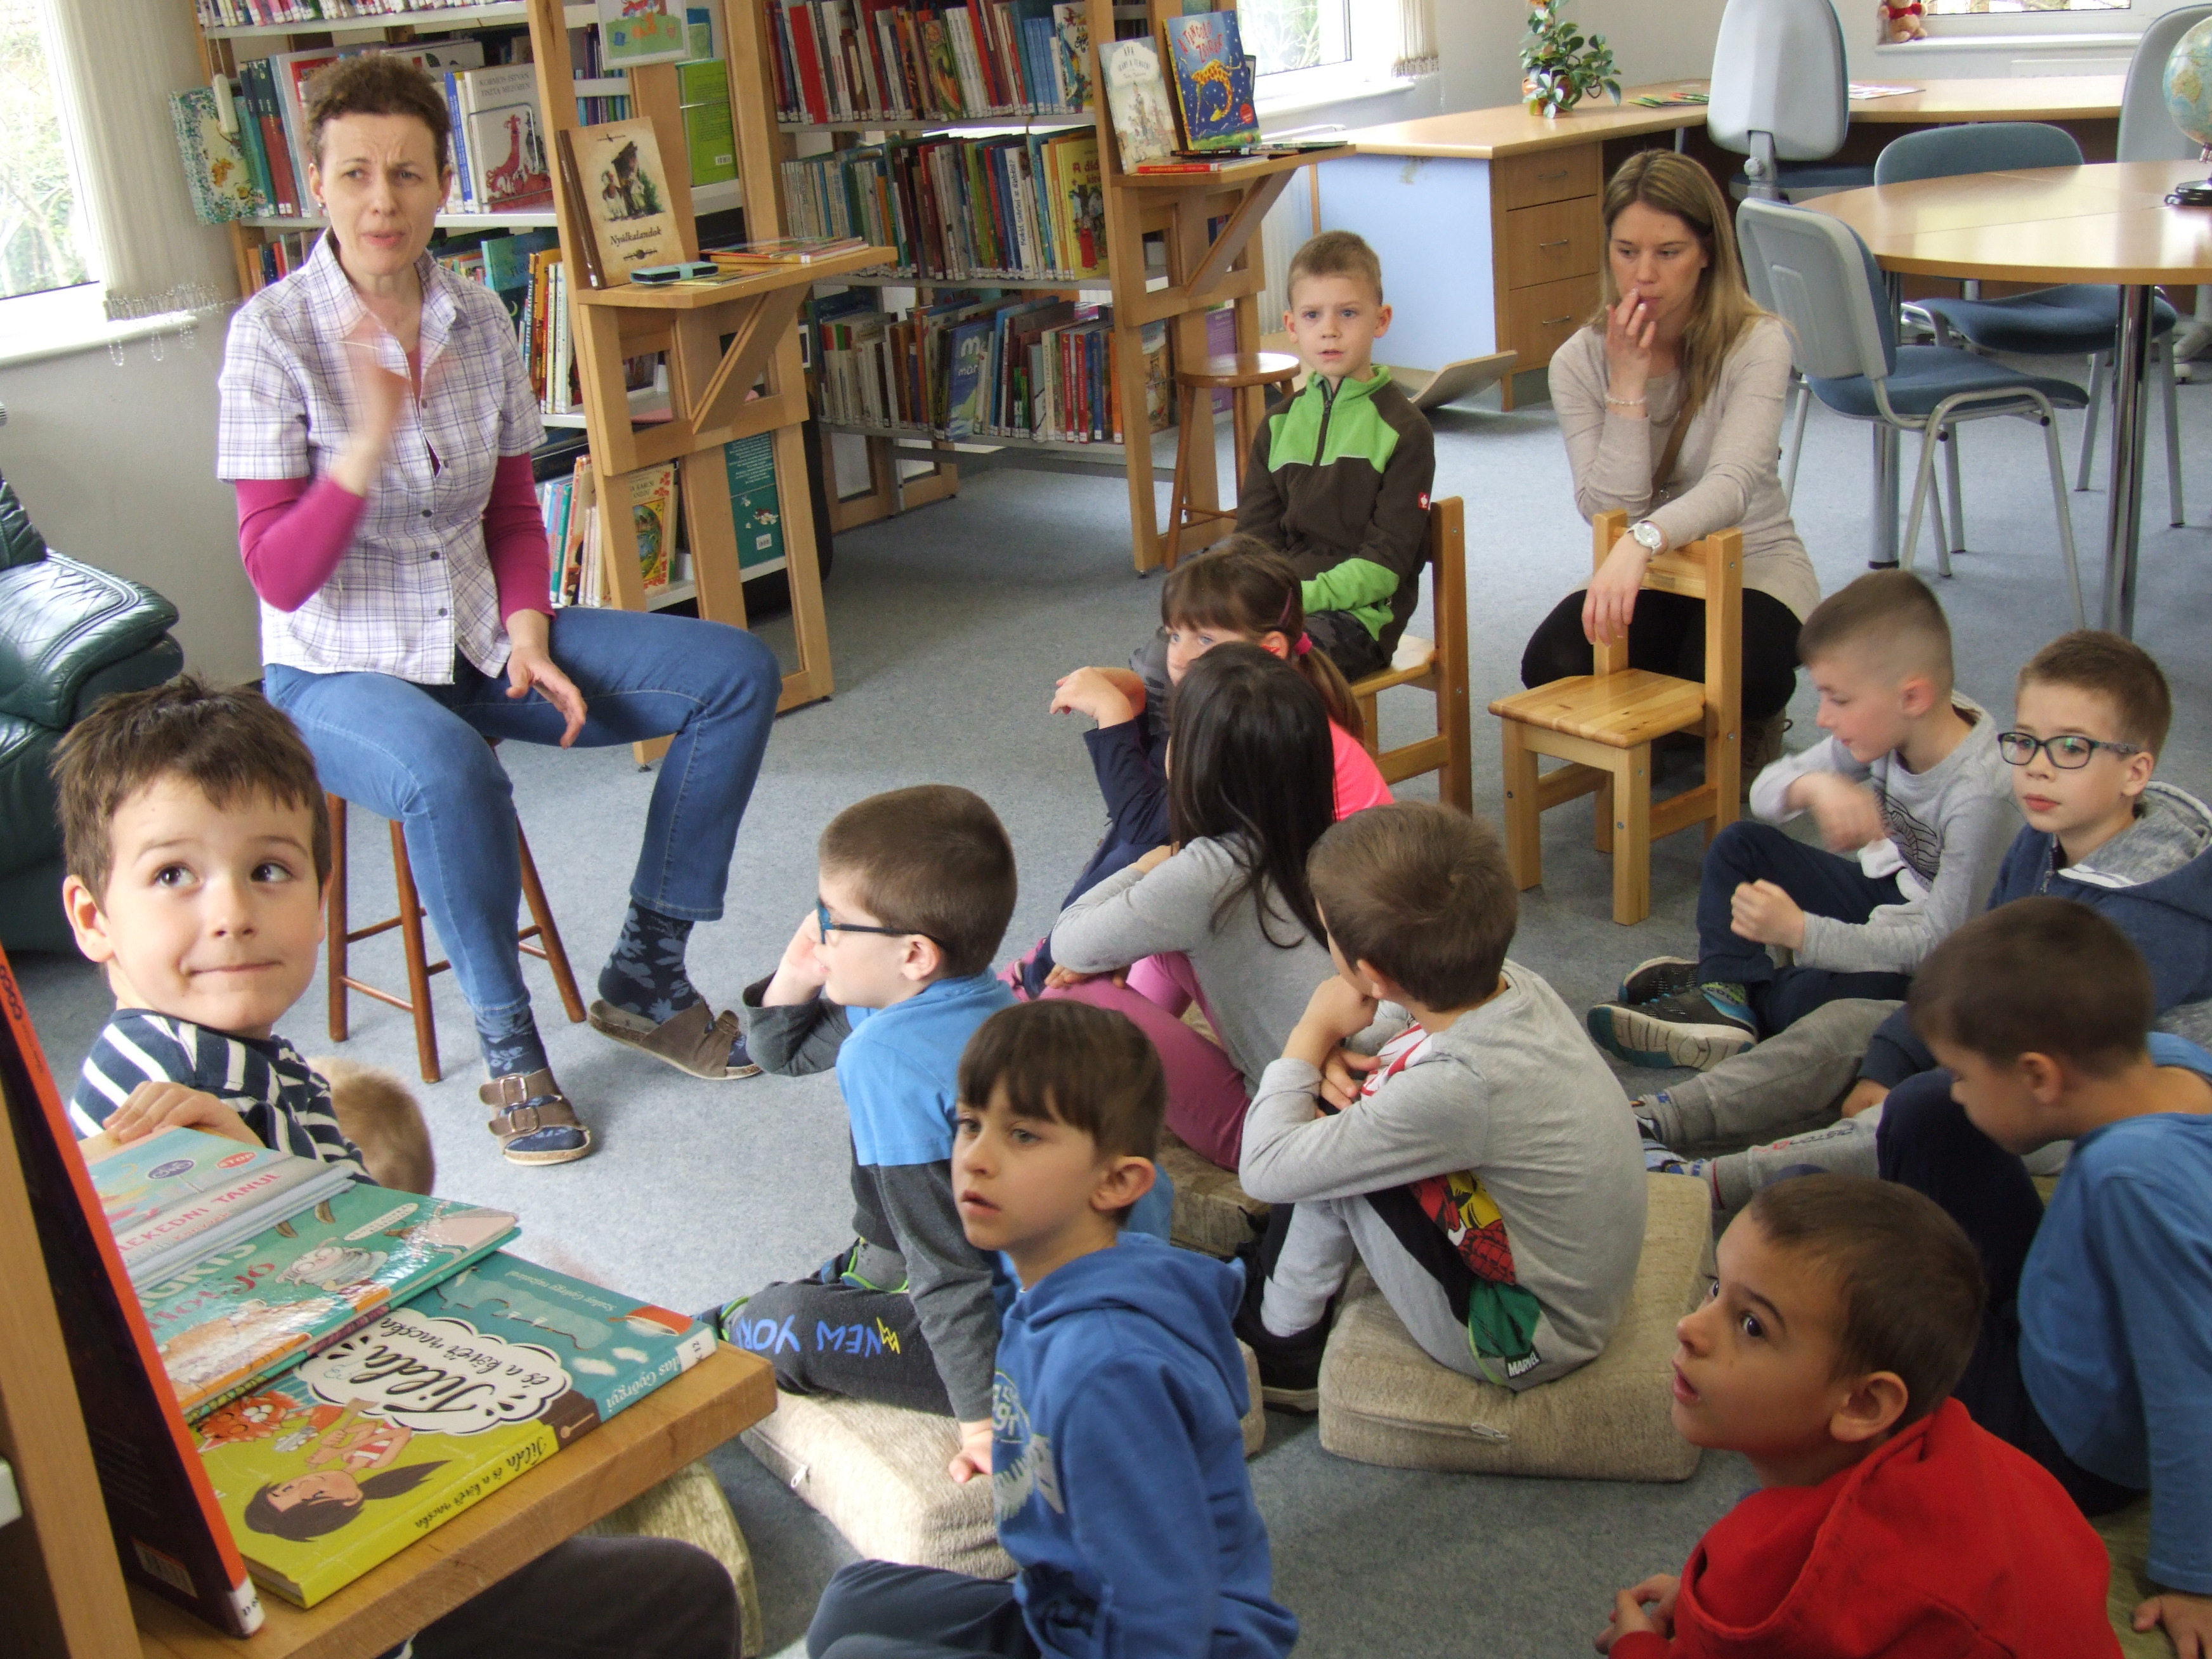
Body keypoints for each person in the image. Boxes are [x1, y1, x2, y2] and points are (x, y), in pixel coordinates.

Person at [53, 677, 743, 1659]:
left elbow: (375, 1248)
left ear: (321, 900)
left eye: (269, 870)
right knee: (680, 1597)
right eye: (173, 876)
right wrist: (255, 1188)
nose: (232, 912)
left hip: (359, 1454)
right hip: (305, 1545)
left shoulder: (256, 1064)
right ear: (92, 918)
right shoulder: (165, 1081)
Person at [216, 54, 783, 1166]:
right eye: (356, 173)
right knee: (448, 771)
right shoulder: (271, 335)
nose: (383, 200)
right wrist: (364, 445)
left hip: (480, 639)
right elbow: (278, 576)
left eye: (408, 174)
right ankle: (512, 1049)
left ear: (444, 184)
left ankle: (645, 973)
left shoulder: (477, 316)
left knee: (735, 675)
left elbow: (516, 513)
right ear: (317, 184)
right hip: (333, 671)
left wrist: (527, 625)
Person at [1636, 630, 2212, 1212]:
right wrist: (1893, 1056)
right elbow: (1976, 976)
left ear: (2135, 772)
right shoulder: (2045, 839)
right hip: (2009, 1039)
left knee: (1931, 1108)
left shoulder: (2156, 909)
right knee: (1848, 1024)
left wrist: (1909, 1071)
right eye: (2026, 741)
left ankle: (1703, 1183)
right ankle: (1657, 1117)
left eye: (2071, 748)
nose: (2038, 768)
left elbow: (2042, 1054)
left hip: (2090, 1101)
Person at [805, 999, 1298, 1659]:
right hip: (1066, 1607)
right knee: (853, 1598)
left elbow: (1167, 1619)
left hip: (1139, 1644)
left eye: (1023, 1136)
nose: (975, 1159)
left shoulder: (1108, 1374)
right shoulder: (1048, 1289)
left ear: (1115, 1183)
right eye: (969, 1125)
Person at [1595, 1174, 2116, 1658]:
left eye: (1752, 1325)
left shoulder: (1780, 1584)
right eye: (1716, 1289)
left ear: (1864, 1404)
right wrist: (1707, 1606)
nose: (1689, 1327)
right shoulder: (1980, 1455)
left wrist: (1644, 1645)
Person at [1881, 901, 2212, 1656]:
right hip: (2059, 1315)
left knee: (1843, 1273)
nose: (1959, 1087)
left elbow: (2191, 1383)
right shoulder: (2171, 1063)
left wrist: (2193, 1575)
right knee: (1927, 1111)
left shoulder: (2135, 1183)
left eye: (1965, 1074)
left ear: (2037, 1076)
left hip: (2062, 1441)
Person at [1236, 802, 1644, 1406]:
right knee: (1354, 1105)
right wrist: (1335, 1052)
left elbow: (1264, 1166)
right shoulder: (1509, 981)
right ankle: (1286, 1281)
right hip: (1574, 1277)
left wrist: (1310, 1036)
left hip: (1528, 1333)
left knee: (1336, 1135)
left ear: (1372, 973)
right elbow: (1405, 1017)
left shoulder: (1460, 1087)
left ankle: (1284, 1342)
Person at [701, 786, 1018, 1488]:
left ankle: (736, 1328)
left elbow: (948, 1265)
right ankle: (853, 1283)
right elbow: (783, 1055)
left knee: (781, 1323)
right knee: (821, 1294)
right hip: (988, 1275)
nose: (817, 934)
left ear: (914, 954)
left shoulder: (889, 1058)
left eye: (833, 921)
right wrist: (798, 969)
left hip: (1017, 1345)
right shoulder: (955, 997)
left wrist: (983, 1424)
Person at [1587, 570, 2015, 1070]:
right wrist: (1813, 785)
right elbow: (1765, 793)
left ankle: (1732, 983)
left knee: (1820, 1001)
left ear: (1913, 697)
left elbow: (1937, 948)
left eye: (1839, 699)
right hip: (1893, 893)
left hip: (1949, 960)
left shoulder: (1981, 798)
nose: (1823, 718)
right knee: (1740, 843)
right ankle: (1724, 991)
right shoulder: (1895, 724)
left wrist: (1802, 932)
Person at [1525, 149, 1819, 764]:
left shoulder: (1758, 342)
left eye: (1668, 252)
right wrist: (1627, 387)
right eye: (1626, 251)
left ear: (1706, 252)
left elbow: (1732, 485)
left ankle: (1743, 720)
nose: (1644, 275)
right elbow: (1606, 509)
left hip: (1753, 561)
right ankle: (1673, 723)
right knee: (1553, 664)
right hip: (1649, 571)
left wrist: (1643, 540)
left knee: (1734, 674)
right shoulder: (1577, 361)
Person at [1018, 538, 1389, 994]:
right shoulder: (1260, 702)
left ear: (1270, 648)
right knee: (1150, 891)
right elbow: (1165, 805)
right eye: (1174, 635)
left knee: (1151, 869)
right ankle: (1056, 973)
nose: (1178, 656)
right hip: (1289, 886)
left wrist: (1113, 716)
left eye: (1205, 639)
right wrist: (1136, 702)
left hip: (1334, 927)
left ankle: (1042, 980)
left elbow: (1146, 824)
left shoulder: (1260, 731)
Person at [1049, 646, 1337, 1169]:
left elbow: (1066, 941)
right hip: (1338, 1087)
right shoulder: (1326, 838)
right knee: (1157, 945)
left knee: (1071, 990)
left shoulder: (1208, 871)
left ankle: (1091, 1097)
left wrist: (1151, 864)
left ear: (1191, 762)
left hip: (1275, 1131)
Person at [1220, 230, 1435, 683]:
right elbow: (1252, 542)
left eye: (1348, 313)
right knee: (1174, 656)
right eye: (1313, 315)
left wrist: (1291, 600)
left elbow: (1384, 566)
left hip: (1359, 621)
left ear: (1381, 320)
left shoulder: (1405, 430)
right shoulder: (1278, 424)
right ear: (1292, 326)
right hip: (1279, 606)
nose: (1330, 329)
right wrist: (1237, 600)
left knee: (1264, 674)